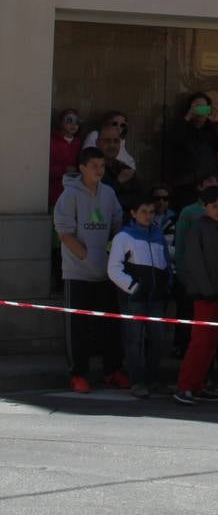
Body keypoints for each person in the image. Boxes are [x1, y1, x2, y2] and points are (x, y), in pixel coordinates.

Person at [52, 147, 128, 393]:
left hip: (107, 273)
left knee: (111, 326)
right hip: (78, 273)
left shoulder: (108, 193)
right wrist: (88, 258)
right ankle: (78, 374)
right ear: (82, 168)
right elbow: (64, 233)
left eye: (102, 166)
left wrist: (110, 254)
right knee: (78, 327)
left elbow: (117, 224)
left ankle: (112, 370)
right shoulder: (69, 195)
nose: (99, 170)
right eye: (94, 166)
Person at [174, 186, 218, 405]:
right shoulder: (197, 228)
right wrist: (207, 290)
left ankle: (198, 384)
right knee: (199, 342)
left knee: (211, 343)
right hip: (204, 295)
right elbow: (194, 263)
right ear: (204, 207)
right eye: (214, 206)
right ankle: (184, 386)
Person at [106, 193, 173, 398]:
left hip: (156, 298)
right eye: (143, 212)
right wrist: (133, 287)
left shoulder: (158, 236)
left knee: (159, 339)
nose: (148, 216)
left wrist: (167, 286)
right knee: (134, 341)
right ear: (133, 214)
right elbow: (113, 269)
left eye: (151, 212)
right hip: (133, 298)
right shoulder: (123, 237)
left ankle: (152, 380)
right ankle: (137, 381)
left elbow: (166, 265)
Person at [166, 92, 218, 208]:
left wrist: (215, 123)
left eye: (203, 107)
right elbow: (174, 141)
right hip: (185, 184)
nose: (200, 111)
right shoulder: (182, 126)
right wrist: (187, 117)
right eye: (196, 107)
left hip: (208, 183)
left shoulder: (212, 129)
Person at [97, 120, 142, 212]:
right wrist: (118, 182)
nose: (112, 145)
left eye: (116, 141)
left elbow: (139, 200)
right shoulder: (89, 169)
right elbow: (95, 201)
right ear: (98, 143)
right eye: (107, 141)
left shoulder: (125, 169)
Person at [49, 109, 83, 208]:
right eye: (69, 120)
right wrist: (64, 170)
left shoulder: (79, 142)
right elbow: (43, 169)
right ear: (60, 123)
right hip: (55, 193)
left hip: (75, 193)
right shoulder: (52, 141)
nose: (73, 124)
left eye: (77, 121)